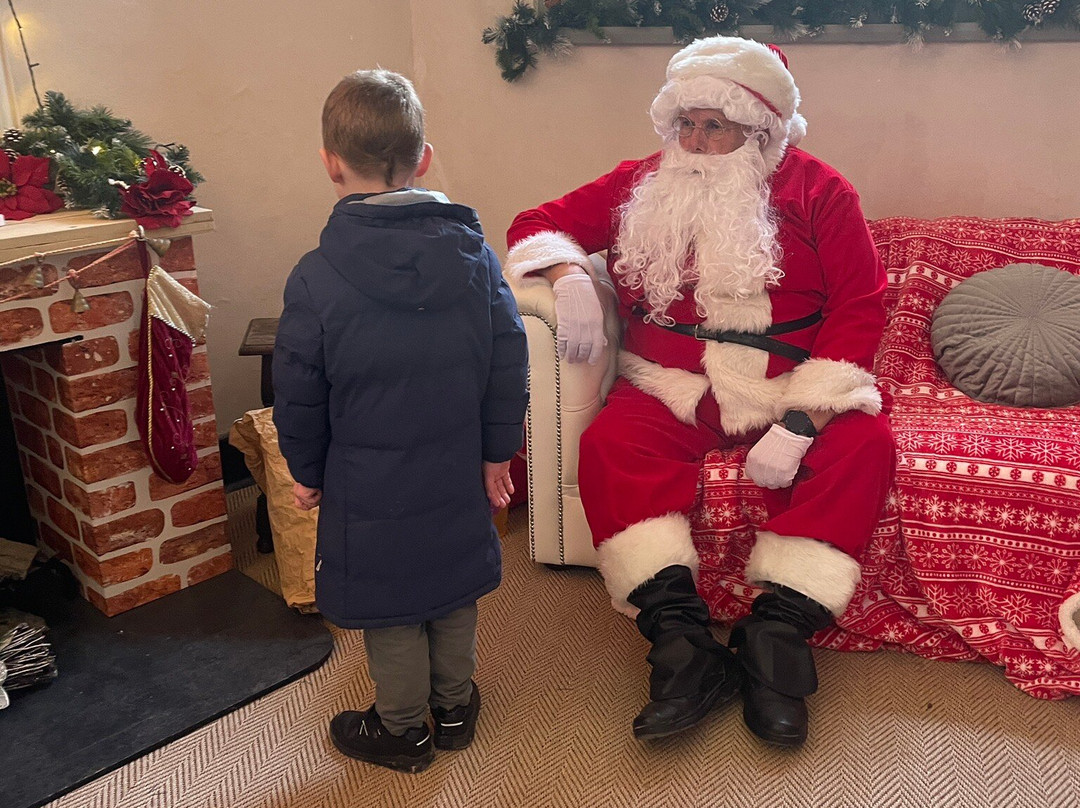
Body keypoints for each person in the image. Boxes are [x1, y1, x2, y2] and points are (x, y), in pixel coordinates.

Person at [504, 37, 894, 747]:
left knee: (865, 444)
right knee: (611, 445)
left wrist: (804, 419)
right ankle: (681, 645)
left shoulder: (820, 190)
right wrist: (566, 279)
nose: (695, 140)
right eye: (686, 122)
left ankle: (777, 638)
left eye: (715, 125)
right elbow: (536, 224)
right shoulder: (642, 180)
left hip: (784, 384)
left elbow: (862, 304)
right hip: (672, 385)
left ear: (762, 129)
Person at [273, 69, 529, 773]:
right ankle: (453, 704)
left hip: (367, 478)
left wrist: (309, 472)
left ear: (330, 163)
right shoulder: (476, 259)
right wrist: (498, 453)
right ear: (423, 158)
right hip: (455, 461)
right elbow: (509, 360)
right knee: (449, 585)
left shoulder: (314, 277)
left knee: (392, 602)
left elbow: (298, 391)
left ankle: (403, 728)